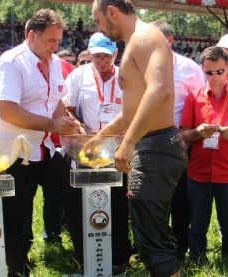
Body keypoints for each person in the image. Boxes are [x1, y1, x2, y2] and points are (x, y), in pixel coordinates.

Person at [91, 0, 187, 277]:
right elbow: (136, 104)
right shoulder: (136, 41)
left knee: (153, 241)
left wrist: (129, 141)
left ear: (112, 12)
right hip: (153, 144)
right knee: (151, 236)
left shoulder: (145, 37)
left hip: (156, 145)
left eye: (98, 21)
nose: (99, 29)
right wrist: (105, 134)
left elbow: (159, 92)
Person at [0, 9, 80, 276]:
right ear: (31, 36)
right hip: (11, 152)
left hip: (43, 150)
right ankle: (17, 268)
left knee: (74, 194)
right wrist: (52, 125)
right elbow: (8, 110)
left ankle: (86, 256)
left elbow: (56, 100)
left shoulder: (53, 62)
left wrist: (69, 121)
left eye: (58, 40)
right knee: (15, 213)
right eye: (51, 40)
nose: (56, 46)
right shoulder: (12, 63)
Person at [180, 46, 228, 262]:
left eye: (220, 72)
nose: (215, 78)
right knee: (197, 225)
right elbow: (183, 135)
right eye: (209, 72)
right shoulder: (193, 99)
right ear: (202, 70)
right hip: (198, 174)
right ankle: (196, 259)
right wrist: (197, 133)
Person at [64, 32, 133, 273]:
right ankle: (86, 258)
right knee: (83, 203)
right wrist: (80, 127)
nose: (101, 61)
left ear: (115, 53)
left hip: (117, 150)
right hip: (86, 149)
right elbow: (67, 109)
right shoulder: (78, 76)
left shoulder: (126, 75)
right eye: (96, 57)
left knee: (118, 204)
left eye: (105, 56)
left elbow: (133, 110)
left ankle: (121, 256)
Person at [150, 20, 205, 259]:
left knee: (180, 198)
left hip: (180, 142)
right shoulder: (143, 64)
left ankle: (180, 244)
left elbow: (201, 103)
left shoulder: (189, 68)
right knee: (153, 197)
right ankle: (155, 244)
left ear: (170, 40)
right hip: (150, 142)